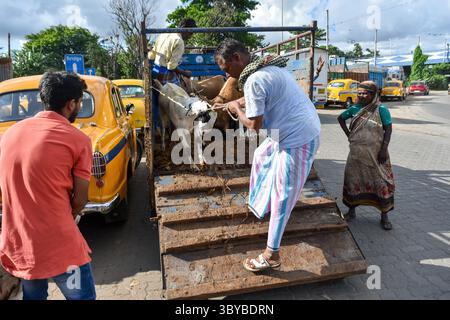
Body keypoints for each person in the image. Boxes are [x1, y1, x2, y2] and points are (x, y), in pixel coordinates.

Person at [213, 39, 321, 272]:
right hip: (293, 131)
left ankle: (272, 255)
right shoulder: (270, 69)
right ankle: (263, 200)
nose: (225, 74)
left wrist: (236, 109)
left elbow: (253, 126)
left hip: (298, 139)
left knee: (284, 195)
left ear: (237, 59)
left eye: (226, 69)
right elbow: (256, 100)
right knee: (262, 154)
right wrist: (233, 103)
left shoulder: (254, 80)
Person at [0, 72, 95, 300]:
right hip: (61, 247)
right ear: (71, 104)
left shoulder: (9, 135)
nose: (79, 106)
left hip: (22, 245)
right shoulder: (78, 140)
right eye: (80, 102)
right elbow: (81, 200)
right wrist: (68, 213)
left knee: (33, 297)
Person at [337, 81, 395, 230]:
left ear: (373, 94)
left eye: (365, 93)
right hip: (356, 155)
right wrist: (349, 135)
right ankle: (351, 211)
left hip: (376, 155)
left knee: (381, 182)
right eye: (359, 93)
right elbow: (340, 118)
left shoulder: (381, 109)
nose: (361, 96)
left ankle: (384, 215)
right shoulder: (355, 108)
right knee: (352, 181)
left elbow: (388, 130)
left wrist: (384, 149)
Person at [148, 18, 196, 130]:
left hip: (155, 71)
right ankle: (180, 124)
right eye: (191, 33)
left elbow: (152, 55)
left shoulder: (165, 34)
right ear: (185, 29)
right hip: (164, 73)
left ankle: (157, 127)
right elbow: (172, 66)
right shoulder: (179, 42)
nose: (191, 36)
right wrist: (185, 73)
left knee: (155, 102)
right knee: (180, 99)